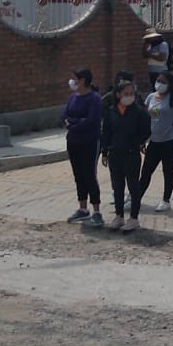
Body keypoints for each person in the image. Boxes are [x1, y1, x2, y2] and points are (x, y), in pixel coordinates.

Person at [100, 80, 150, 232]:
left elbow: (146, 131)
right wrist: (104, 152)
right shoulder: (111, 111)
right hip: (115, 154)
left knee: (133, 186)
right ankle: (119, 216)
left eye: (131, 94)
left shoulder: (139, 112)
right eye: (125, 94)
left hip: (131, 154)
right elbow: (106, 132)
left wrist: (137, 143)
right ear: (118, 95)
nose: (129, 97)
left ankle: (133, 218)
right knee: (117, 186)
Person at [138, 71, 173, 213]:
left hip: (170, 141)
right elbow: (147, 119)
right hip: (154, 141)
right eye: (158, 80)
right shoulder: (151, 97)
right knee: (146, 171)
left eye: (164, 82)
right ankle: (136, 197)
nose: (160, 84)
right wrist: (143, 139)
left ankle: (166, 200)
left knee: (167, 171)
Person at [62, 68, 104, 227]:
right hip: (73, 141)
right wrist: (71, 122)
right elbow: (65, 114)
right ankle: (83, 208)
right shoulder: (73, 97)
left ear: (83, 80)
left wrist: (76, 123)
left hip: (89, 141)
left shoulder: (94, 98)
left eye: (75, 79)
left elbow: (91, 120)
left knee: (89, 175)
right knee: (78, 175)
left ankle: (97, 210)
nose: (72, 82)